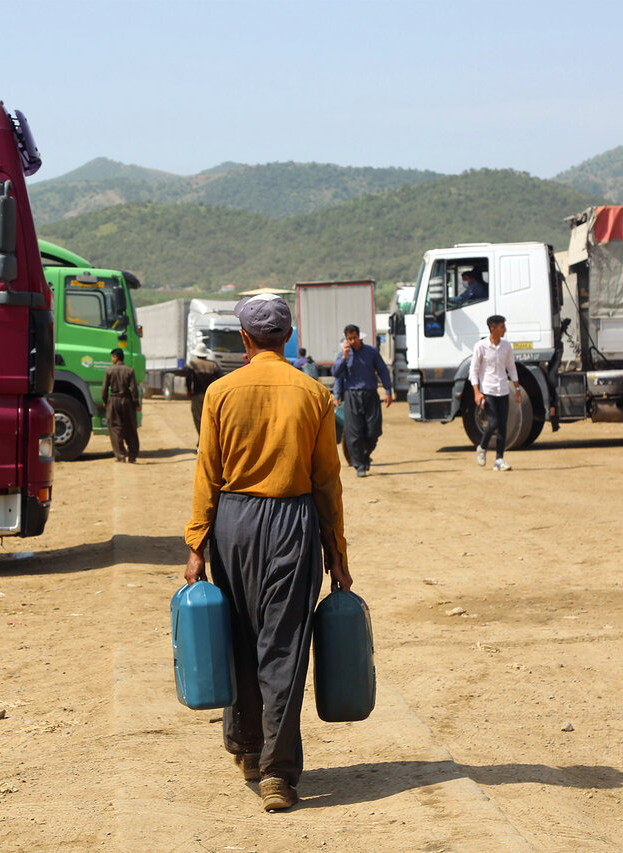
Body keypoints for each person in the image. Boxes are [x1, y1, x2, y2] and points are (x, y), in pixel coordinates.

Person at [184, 293, 351, 813]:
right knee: (284, 647)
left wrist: (196, 545)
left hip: (233, 522)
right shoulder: (313, 393)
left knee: (237, 638)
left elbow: (207, 473)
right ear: (288, 337)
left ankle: (248, 750)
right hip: (293, 523)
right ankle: (279, 775)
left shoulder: (220, 392)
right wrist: (336, 551)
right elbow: (327, 480)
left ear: (246, 339)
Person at [330, 324, 392, 477]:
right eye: (349, 339)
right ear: (347, 339)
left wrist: (388, 390)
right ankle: (359, 464)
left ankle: (365, 455)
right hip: (352, 396)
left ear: (359, 336)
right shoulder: (344, 354)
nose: (352, 341)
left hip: (371, 395)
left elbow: (383, 371)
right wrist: (337, 395)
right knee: (354, 433)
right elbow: (336, 374)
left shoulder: (371, 352)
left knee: (374, 430)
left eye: (354, 338)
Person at [469, 314, 520, 471]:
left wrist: (517, 389)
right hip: (488, 390)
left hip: (503, 390)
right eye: (502, 327)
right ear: (493, 329)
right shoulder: (481, 346)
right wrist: (477, 392)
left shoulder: (506, 346)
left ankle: (499, 460)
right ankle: (482, 447)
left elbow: (511, 367)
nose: (505, 330)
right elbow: (474, 370)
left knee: (503, 425)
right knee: (493, 423)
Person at [101, 348, 140, 462]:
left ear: (116, 357)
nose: (112, 359)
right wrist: (136, 403)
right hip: (127, 401)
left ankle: (120, 455)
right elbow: (133, 389)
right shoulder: (130, 370)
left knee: (115, 428)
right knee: (130, 428)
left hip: (114, 401)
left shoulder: (109, 370)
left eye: (112, 357)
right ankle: (132, 455)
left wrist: (105, 400)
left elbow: (104, 389)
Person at [184, 346, 222, 437]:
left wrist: (189, 391)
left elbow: (188, 379)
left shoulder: (192, 364)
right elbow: (221, 378)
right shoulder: (213, 365)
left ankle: (201, 439)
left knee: (198, 417)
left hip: (197, 395)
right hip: (210, 395)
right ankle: (206, 438)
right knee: (209, 417)